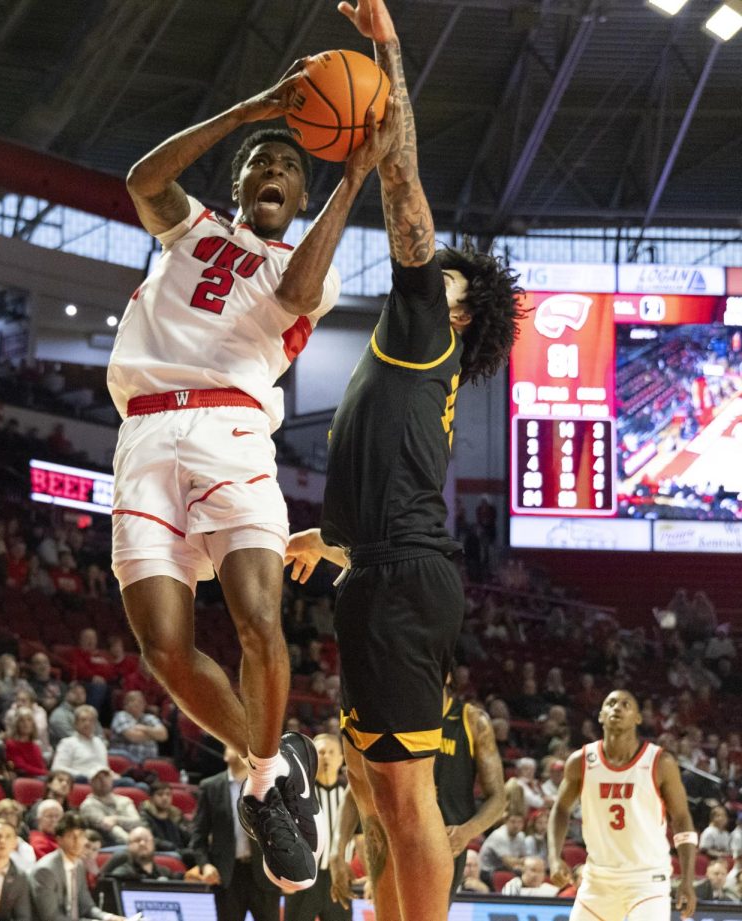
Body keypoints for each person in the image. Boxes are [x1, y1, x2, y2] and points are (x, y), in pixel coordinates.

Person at [107, 7, 402, 890]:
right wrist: (247, 113)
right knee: (162, 646)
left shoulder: (310, 263)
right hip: (145, 431)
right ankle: (274, 770)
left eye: (287, 166)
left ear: (301, 196)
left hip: (233, 428)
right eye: (260, 164)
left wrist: (352, 179)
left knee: (256, 622)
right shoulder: (189, 228)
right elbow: (139, 176)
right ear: (237, 184)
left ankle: (267, 773)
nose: (273, 168)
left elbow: (302, 287)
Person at [283, 1, 525, 916]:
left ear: (457, 311)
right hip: (385, 570)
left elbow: (408, 189)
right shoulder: (413, 361)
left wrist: (388, 56)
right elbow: (394, 489)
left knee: (407, 803)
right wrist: (329, 538)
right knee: (384, 806)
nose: (425, 270)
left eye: (444, 277)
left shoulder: (428, 331)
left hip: (401, 582)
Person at [548, 689, 698, 921]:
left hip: (647, 880)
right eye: (611, 703)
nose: (617, 708)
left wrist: (687, 880)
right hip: (598, 880)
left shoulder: (660, 762)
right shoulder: (581, 761)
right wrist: (554, 857)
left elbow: (681, 818)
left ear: (638, 718)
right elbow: (560, 810)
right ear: (600, 716)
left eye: (626, 704)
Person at [434, 674, 506, 899]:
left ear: (446, 675)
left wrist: (467, 832)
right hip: (402, 839)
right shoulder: (401, 716)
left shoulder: (472, 721)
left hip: (447, 844)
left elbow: (498, 798)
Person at [188, 748, 280, 921]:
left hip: (264, 874)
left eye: (243, 746)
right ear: (224, 755)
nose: (239, 749)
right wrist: (205, 865)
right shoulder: (210, 787)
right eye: (233, 746)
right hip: (228, 876)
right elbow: (198, 836)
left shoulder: (268, 785)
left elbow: (281, 832)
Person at [285, 733, 349, 921]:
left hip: (338, 878)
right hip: (303, 877)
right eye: (321, 752)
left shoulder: (350, 797)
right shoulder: (296, 794)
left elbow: (361, 839)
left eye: (331, 752)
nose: (326, 756)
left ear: (341, 759)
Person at [28, 812, 125, 921]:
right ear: (59, 840)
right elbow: (51, 917)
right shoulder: (46, 870)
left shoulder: (79, 865)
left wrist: (108, 917)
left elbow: (87, 906)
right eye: (71, 836)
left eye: (81, 836)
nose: (77, 841)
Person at [79, 768, 143, 846]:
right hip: (106, 846)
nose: (103, 781)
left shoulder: (124, 800)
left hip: (132, 843)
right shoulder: (88, 805)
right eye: (98, 778)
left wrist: (116, 820)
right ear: (91, 782)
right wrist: (132, 843)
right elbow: (110, 829)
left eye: (106, 777)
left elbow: (137, 822)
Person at [108, 691, 167, 765]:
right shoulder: (121, 716)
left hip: (150, 760)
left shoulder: (149, 717)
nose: (138, 704)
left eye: (141, 702)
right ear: (126, 705)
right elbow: (133, 737)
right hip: (128, 758)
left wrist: (144, 728)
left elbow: (164, 735)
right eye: (133, 701)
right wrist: (154, 735)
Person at [102, 826, 180, 881]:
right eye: (137, 840)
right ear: (129, 846)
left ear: (153, 843)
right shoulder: (122, 875)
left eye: (146, 840)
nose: (142, 843)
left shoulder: (165, 873)